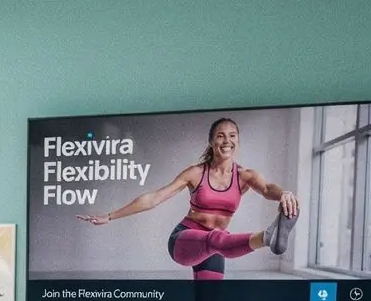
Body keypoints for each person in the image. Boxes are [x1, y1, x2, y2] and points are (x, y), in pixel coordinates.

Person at [78, 116, 300, 282]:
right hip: (184, 240)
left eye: (232, 135)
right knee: (216, 237)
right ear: (212, 141)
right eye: (221, 135)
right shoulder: (196, 173)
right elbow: (154, 198)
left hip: (215, 247)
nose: (227, 140)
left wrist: (284, 194)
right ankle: (268, 238)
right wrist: (110, 216)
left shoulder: (244, 176)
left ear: (238, 141)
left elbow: (267, 188)